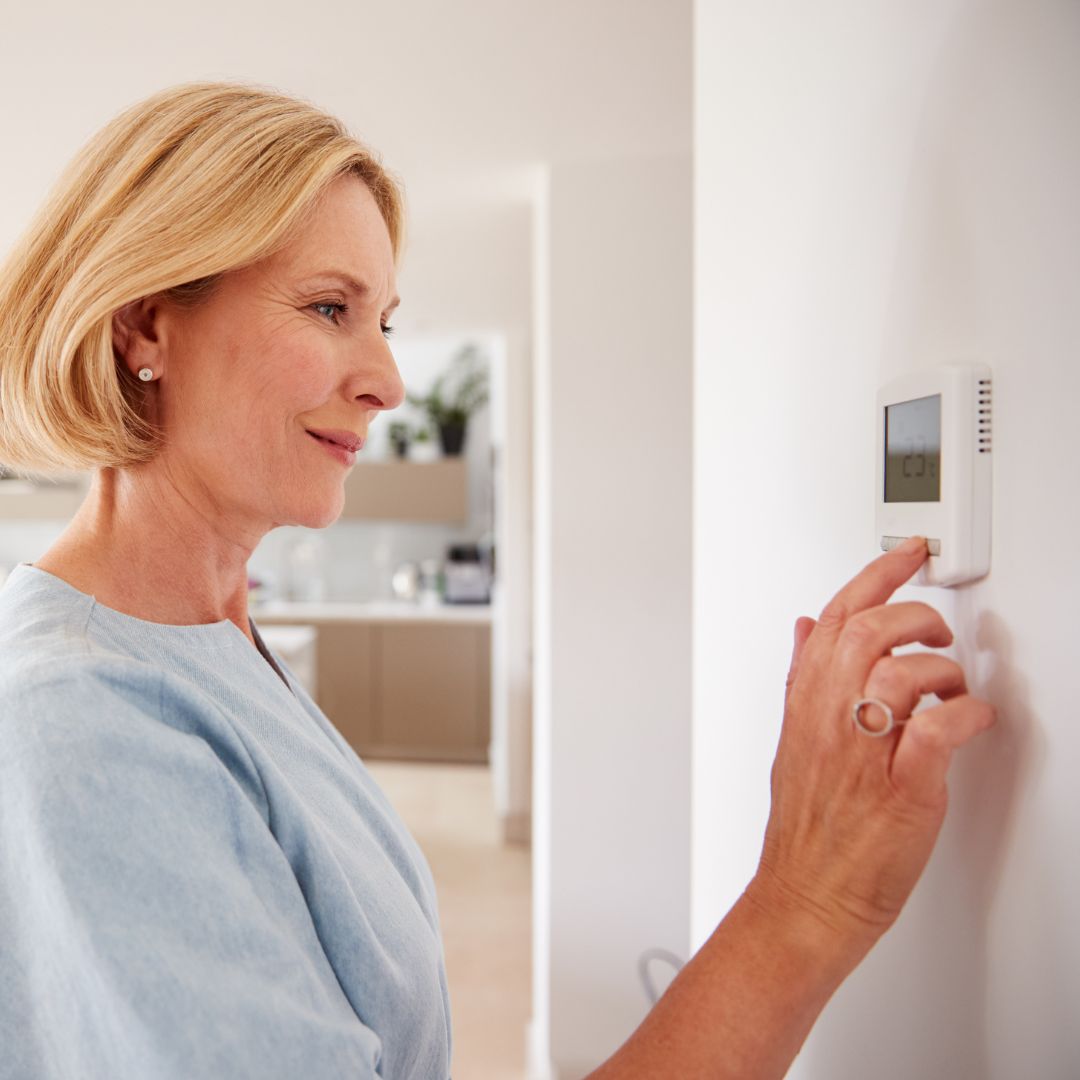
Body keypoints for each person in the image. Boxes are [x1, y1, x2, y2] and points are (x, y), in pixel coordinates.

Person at [0, 83, 994, 1079]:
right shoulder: (86, 717)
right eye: (330, 308)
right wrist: (803, 906)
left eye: (384, 318)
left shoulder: (207, 634)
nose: (388, 380)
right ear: (143, 328)